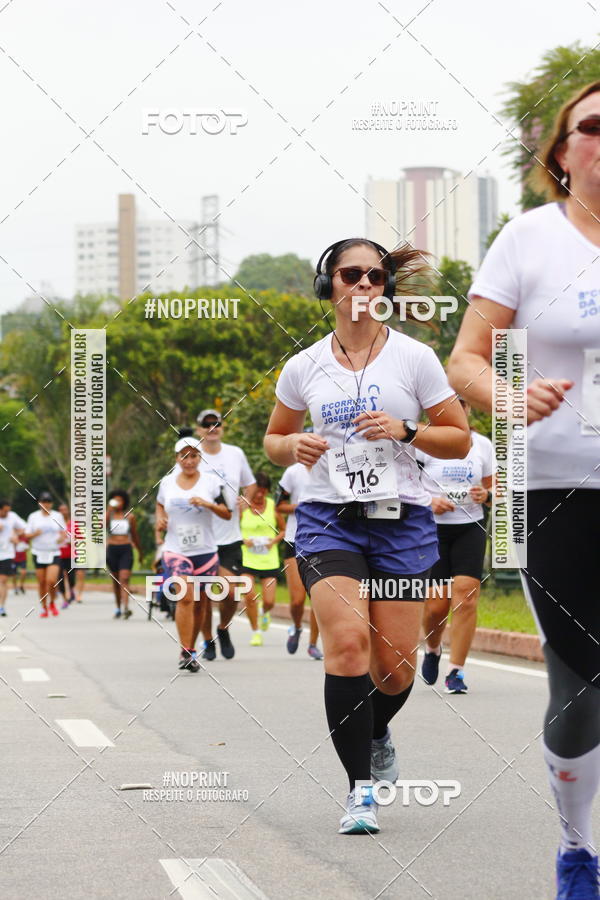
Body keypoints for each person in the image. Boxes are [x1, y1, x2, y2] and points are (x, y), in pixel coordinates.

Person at [447, 80, 600, 898]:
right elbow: (465, 360)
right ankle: (578, 848)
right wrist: (508, 398)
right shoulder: (528, 240)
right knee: (582, 685)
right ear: (562, 153)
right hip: (558, 489)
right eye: (594, 126)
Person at [264, 237, 469, 834]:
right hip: (329, 520)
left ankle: (376, 731)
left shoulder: (414, 358)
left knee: (395, 669)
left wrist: (407, 430)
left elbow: (458, 438)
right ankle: (359, 792)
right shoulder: (303, 366)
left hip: (401, 521)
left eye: (375, 276)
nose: (363, 285)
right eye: (350, 274)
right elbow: (274, 440)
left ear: (386, 289)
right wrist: (292, 446)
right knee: (348, 645)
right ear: (327, 284)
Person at [417, 398, 494, 693]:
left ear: (468, 409)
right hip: (432, 529)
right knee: (436, 606)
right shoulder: (422, 441)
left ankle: (456, 671)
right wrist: (429, 501)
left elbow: (496, 487)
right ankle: (433, 647)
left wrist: (486, 495)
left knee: (466, 597)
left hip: (469, 527)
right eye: (448, 403)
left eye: (461, 403)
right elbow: (404, 485)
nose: (456, 408)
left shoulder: (482, 445)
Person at [156, 436, 232, 672]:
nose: (189, 461)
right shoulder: (167, 482)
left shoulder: (212, 482)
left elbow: (227, 513)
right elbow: (160, 505)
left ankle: (191, 649)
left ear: (200, 457)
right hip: (176, 549)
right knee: (186, 596)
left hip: (205, 551)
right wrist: (160, 519)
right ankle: (186, 650)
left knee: (201, 603)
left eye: (193, 456)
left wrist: (207, 504)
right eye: (184, 456)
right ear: (176, 458)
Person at [193, 409, 256, 661]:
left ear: (222, 427)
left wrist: (246, 499)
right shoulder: (191, 455)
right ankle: (207, 639)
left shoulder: (235, 453)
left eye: (216, 423)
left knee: (230, 592)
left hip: (229, 536)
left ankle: (223, 628)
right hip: (201, 537)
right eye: (206, 424)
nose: (212, 428)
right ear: (198, 429)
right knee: (204, 595)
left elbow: (250, 483)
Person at [276, 456, 324, 660]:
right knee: (297, 600)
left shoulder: (330, 467)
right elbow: (279, 505)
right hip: (294, 540)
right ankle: (296, 627)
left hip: (322, 540)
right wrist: (303, 507)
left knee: (318, 598)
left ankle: (313, 644)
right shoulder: (292, 472)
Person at [240, 472, 285, 647]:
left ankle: (264, 612)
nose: (259, 495)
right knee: (249, 595)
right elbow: (230, 530)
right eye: (257, 490)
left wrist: (273, 541)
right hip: (246, 558)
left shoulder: (273, 506)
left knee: (269, 601)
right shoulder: (242, 507)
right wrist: (244, 540)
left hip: (268, 560)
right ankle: (256, 632)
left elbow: (283, 530)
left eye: (263, 491)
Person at [25, 492, 67, 617]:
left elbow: (64, 531)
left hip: (53, 552)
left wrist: (61, 538)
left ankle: (52, 602)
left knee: (51, 580)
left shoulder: (57, 516)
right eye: (44, 502)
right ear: (39, 503)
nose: (46, 504)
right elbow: (27, 535)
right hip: (38, 552)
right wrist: (35, 534)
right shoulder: (33, 517)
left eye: (48, 502)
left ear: (52, 504)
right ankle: (44, 607)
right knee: (42, 582)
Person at [106, 490, 142, 619]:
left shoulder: (130, 517)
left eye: (120, 500)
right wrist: (109, 510)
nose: (118, 503)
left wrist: (140, 551)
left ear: (124, 502)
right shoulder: (108, 515)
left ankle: (126, 607)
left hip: (126, 548)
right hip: (112, 549)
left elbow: (135, 535)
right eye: (115, 500)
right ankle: (118, 607)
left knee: (124, 578)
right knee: (116, 581)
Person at [0, 500, 26, 616]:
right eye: (5, 511)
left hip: (6, 554)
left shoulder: (12, 516)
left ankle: (1, 606)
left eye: (8, 511)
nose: (7, 513)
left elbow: (24, 528)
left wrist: (16, 536)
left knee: (3, 580)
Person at [57, 503, 74, 608]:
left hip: (71, 555)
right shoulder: (55, 524)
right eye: (61, 510)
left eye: (65, 510)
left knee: (71, 578)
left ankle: (71, 590)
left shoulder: (73, 524)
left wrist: (72, 541)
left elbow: (81, 538)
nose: (63, 512)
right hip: (58, 555)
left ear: (68, 511)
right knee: (60, 578)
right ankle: (65, 599)